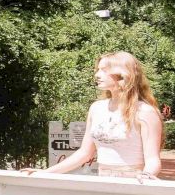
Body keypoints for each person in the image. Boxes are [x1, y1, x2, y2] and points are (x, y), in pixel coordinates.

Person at [24, 52, 163, 180]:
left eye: (104, 70)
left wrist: (146, 177)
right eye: (97, 70)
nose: (97, 75)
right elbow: (85, 153)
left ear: (123, 74)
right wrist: (45, 173)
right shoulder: (96, 108)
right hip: (102, 182)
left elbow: (153, 160)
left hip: (133, 185)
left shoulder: (145, 111)